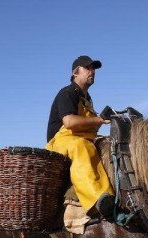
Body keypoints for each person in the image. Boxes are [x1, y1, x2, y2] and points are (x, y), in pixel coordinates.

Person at [46, 55, 116, 220]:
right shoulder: (67, 93)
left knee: (111, 144)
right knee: (82, 147)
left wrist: (103, 120)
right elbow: (69, 122)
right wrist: (98, 119)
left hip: (81, 137)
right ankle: (97, 201)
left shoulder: (87, 98)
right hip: (61, 141)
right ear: (75, 73)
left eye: (94, 69)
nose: (92, 72)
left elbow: (87, 125)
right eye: (88, 68)